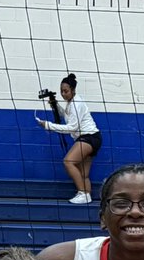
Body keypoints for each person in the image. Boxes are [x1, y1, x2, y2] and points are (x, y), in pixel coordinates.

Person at [37, 74, 103, 205]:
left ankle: (82, 193)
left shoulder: (77, 104)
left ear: (73, 90)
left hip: (88, 137)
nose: (63, 94)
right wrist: (56, 105)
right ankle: (87, 196)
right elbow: (68, 115)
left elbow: (72, 127)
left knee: (68, 161)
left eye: (66, 91)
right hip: (94, 138)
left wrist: (48, 125)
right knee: (84, 173)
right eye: (61, 91)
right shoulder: (71, 103)